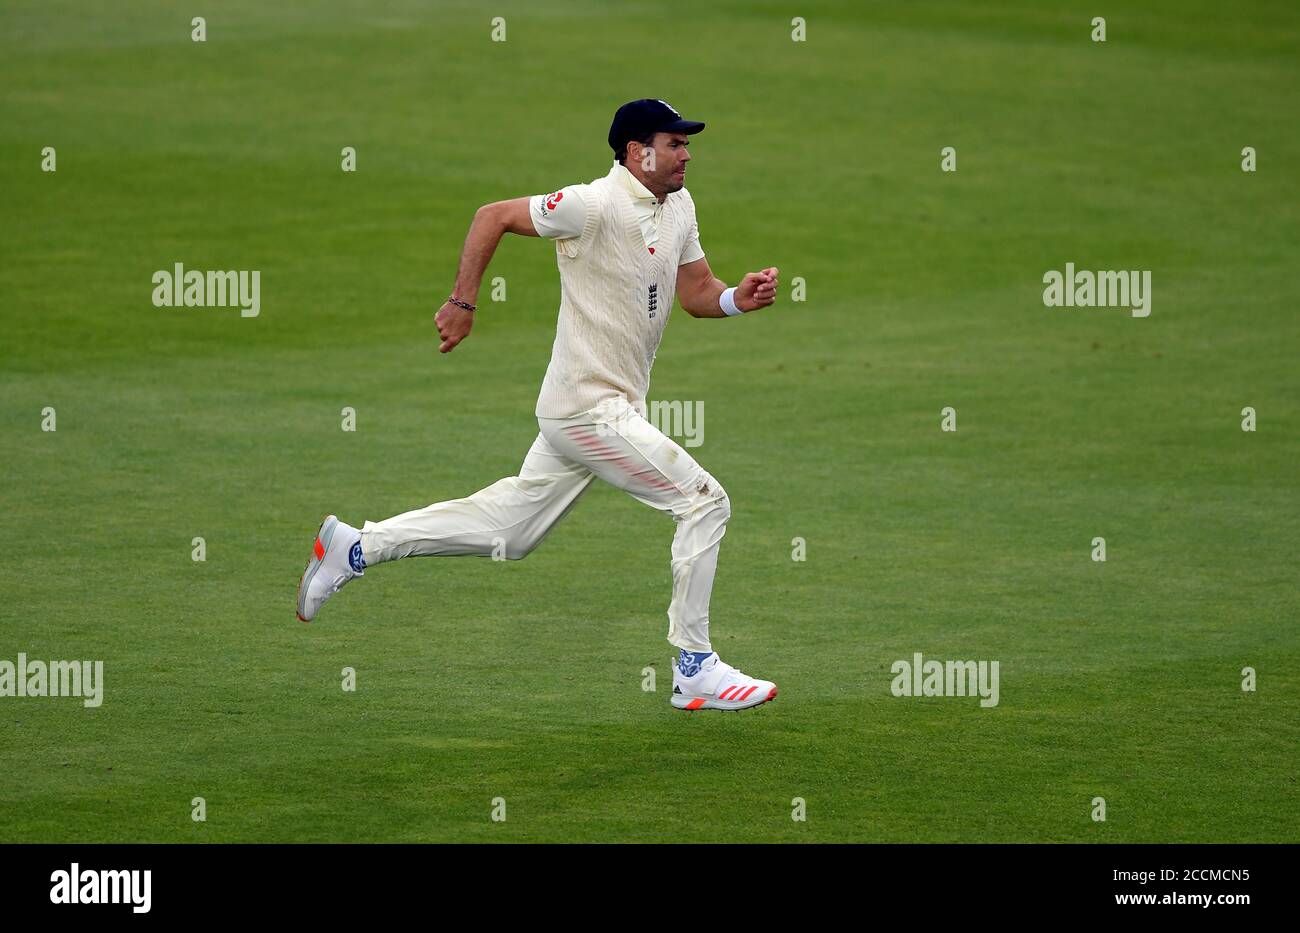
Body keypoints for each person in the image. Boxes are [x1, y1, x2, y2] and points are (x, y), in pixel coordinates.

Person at [296, 99, 781, 711]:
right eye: (675, 142)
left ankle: (355, 546)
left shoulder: (678, 206)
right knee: (704, 502)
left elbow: (695, 292)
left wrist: (738, 298)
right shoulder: (592, 204)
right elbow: (491, 216)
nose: (686, 153)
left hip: (591, 409)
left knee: (513, 532)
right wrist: (463, 303)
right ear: (637, 151)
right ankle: (694, 667)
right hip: (588, 411)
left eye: (687, 143)